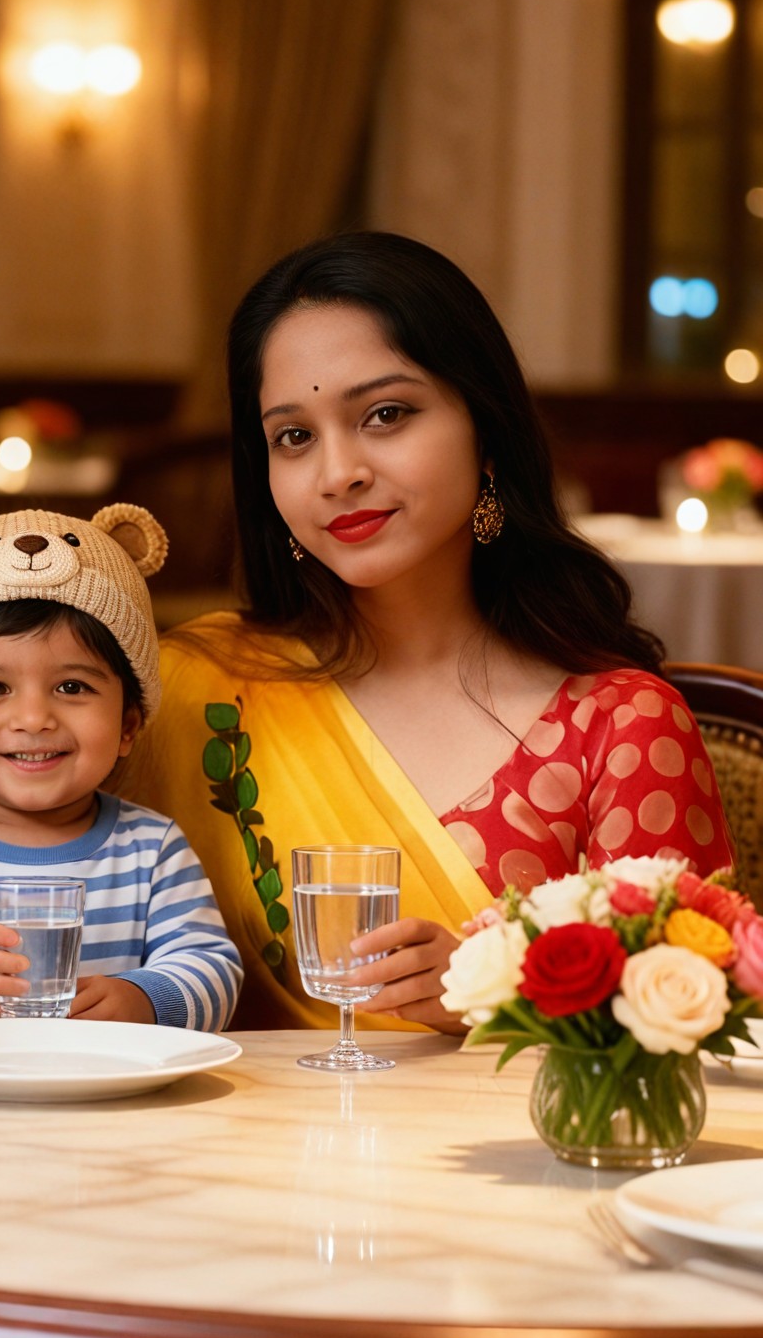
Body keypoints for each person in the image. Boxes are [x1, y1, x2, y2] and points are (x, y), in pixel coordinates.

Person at [118, 231, 732, 1034]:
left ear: (487, 431)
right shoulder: (193, 690)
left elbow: (682, 1042)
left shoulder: (620, 728)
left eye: (386, 414)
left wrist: (495, 999)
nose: (338, 473)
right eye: (294, 436)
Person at [0, 501, 241, 1035]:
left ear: (127, 725)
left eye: (72, 687)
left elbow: (213, 969)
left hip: (105, 1087)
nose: (33, 719)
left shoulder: (151, 848)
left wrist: (145, 1001)